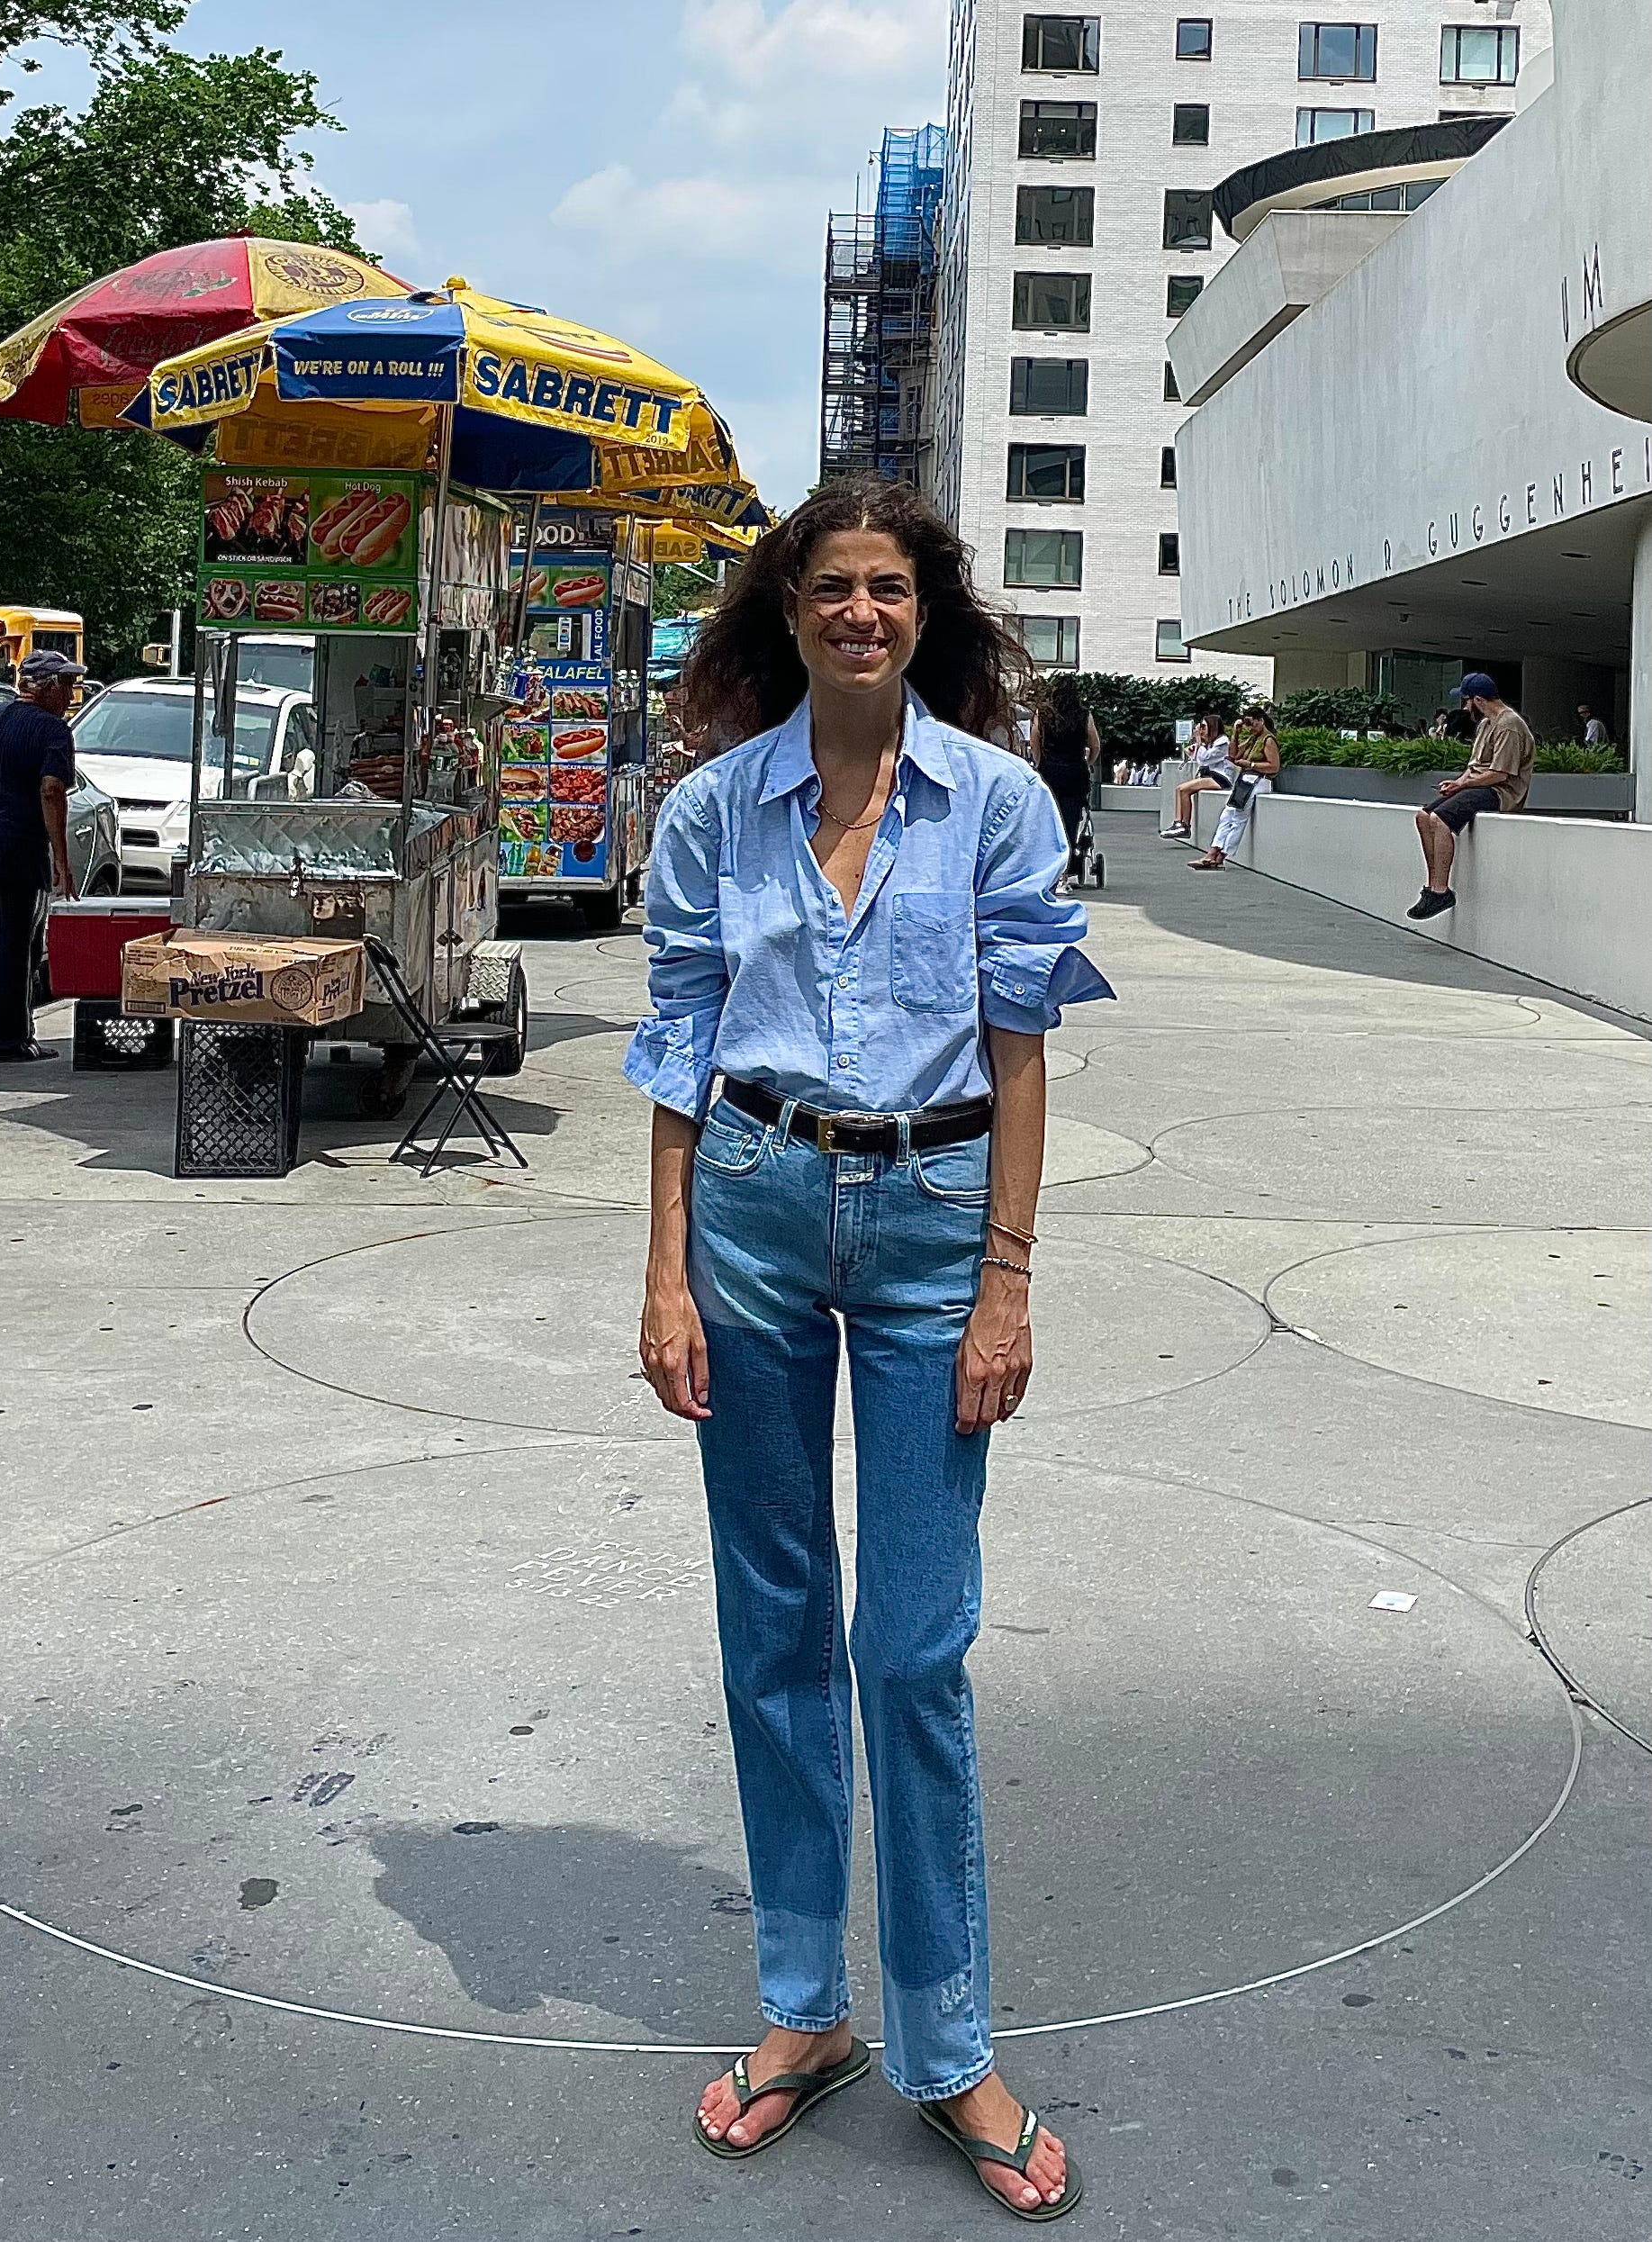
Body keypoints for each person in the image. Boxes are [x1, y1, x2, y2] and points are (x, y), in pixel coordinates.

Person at [627, 475, 1111, 2220]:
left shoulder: (997, 804)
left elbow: (1023, 1046)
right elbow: (677, 1037)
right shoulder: (710, 812)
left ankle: (949, 2041)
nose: (857, 612)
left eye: (886, 587)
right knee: (773, 1630)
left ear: (926, 612)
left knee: (911, 1649)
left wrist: (1009, 1281)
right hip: (751, 1209)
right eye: (829, 585)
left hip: (932, 1224)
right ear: (786, 609)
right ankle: (802, 2007)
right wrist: (665, 1270)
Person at [0, 647, 81, 1062]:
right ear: (45, 688)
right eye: (65, 684)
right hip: (17, 848)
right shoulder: (53, 730)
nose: (71, 693)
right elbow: (51, 790)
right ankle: (11, 1040)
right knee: (14, 946)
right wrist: (61, 860)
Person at [1408, 672, 1534, 919]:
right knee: (1423, 816)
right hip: (1480, 785)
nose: (1465, 707)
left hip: (1502, 791)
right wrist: (1458, 783)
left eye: (1466, 701)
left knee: (1439, 820)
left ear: (1478, 700)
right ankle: (1433, 887)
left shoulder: (1509, 725)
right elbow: (1474, 766)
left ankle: (1441, 891)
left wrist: (1464, 785)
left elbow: (1500, 774)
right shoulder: (1486, 724)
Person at [1190, 705, 1280, 870]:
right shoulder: (1254, 739)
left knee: (1238, 817)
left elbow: (1274, 766)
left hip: (1257, 781)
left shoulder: (1268, 740)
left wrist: (1251, 764)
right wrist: (1236, 733)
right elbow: (1233, 755)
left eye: (1251, 723)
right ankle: (1213, 853)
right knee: (1227, 816)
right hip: (1245, 781)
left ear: (1261, 721)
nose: (1249, 728)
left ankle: (1219, 855)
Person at [1033, 672, 1099, 892]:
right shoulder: (1084, 715)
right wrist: (1086, 763)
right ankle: (1064, 877)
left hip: (1049, 773)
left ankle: (1047, 871)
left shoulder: (1042, 714)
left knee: (1048, 822)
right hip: (1075, 773)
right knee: (1070, 823)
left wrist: (1041, 763)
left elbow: (1035, 742)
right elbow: (1095, 745)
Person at [1161, 707, 1235, 838]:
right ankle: (1178, 823)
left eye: (1204, 727)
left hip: (1221, 779)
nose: (1201, 730)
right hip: (1213, 777)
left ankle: (1185, 825)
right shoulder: (1211, 743)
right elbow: (1198, 757)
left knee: (1183, 790)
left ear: (1212, 727)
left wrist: (1199, 741)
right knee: (1179, 789)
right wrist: (1195, 747)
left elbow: (1204, 759)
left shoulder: (1223, 742)